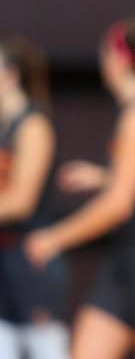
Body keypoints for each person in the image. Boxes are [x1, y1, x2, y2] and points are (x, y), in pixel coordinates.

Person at [25, 19, 135, 359]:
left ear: (118, 58)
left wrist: (54, 239)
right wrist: (102, 176)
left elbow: (118, 205)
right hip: (125, 261)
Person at [0, 35, 69, 359]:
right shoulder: (5, 127)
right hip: (6, 257)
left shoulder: (33, 126)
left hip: (31, 257)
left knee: (45, 350)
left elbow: (21, 200)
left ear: (11, 74)